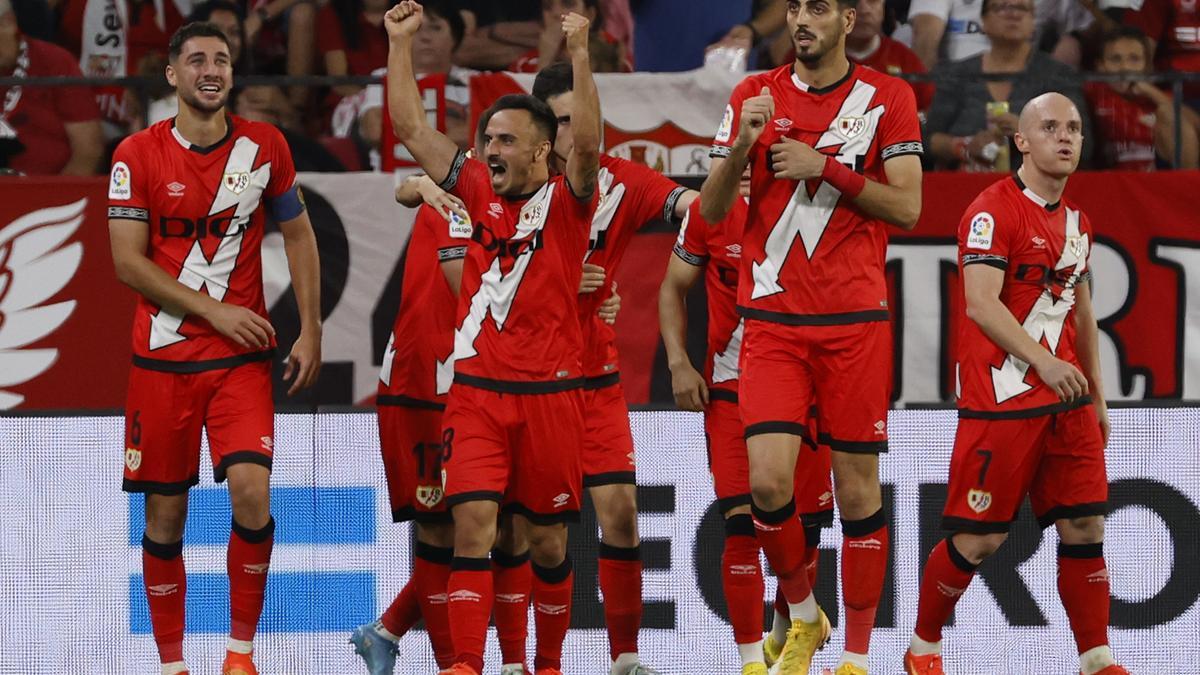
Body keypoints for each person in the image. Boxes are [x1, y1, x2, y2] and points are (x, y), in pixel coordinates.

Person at [700, 0, 924, 671]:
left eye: (819, 7)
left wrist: (825, 167)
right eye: (794, 6)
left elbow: (909, 205)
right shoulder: (753, 93)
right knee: (768, 485)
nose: (802, 17)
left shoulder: (889, 96)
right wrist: (743, 144)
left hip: (854, 321)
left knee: (858, 492)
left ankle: (856, 656)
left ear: (848, 20)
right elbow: (711, 212)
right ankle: (803, 610)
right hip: (770, 319)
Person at [385, 2, 602, 674]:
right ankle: (467, 665)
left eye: (507, 141)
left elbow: (590, 142)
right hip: (476, 395)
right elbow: (410, 126)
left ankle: (548, 664)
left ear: (542, 149)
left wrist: (583, 52)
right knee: (473, 526)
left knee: (546, 542)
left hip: (552, 396)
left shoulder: (570, 200)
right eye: (488, 142)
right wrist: (399, 44)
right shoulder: (474, 187)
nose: (492, 152)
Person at [107, 21, 322, 675]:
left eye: (222, 60)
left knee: (253, 494)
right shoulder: (135, 155)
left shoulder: (266, 146)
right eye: (196, 58)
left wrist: (311, 326)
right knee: (165, 516)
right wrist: (214, 310)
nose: (211, 69)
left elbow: (301, 234)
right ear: (171, 74)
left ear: (232, 74)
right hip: (163, 361)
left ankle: (239, 654)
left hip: (238, 366)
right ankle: (172, 663)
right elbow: (125, 262)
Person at [478, 60, 693, 675]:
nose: (583, 132)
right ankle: (520, 662)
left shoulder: (621, 181)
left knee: (622, 513)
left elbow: (691, 206)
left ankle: (624, 657)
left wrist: (732, 188)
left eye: (588, 119)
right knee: (517, 534)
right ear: (545, 131)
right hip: (521, 382)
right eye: (569, 121)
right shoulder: (510, 193)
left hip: (594, 380)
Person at [903, 93, 1127, 675]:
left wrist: (1096, 392)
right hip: (1002, 397)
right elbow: (980, 304)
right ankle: (923, 648)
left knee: (1085, 523)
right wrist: (1044, 364)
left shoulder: (1078, 221)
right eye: (1050, 127)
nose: (1066, 137)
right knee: (980, 541)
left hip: (1068, 401)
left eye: (1075, 128)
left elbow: (1080, 307)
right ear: (1021, 141)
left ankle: (1096, 657)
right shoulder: (990, 210)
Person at [658, 187, 834, 675]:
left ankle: (785, 637)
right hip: (731, 387)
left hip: (805, 388)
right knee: (741, 523)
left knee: (804, 532)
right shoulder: (710, 209)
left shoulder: (817, 203)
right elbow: (673, 286)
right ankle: (751, 663)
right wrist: (679, 363)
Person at [923, 0, 1091, 172]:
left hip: (1037, 192)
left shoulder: (1059, 76)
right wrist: (964, 146)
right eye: (1002, 7)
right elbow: (927, 141)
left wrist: (1031, 133)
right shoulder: (956, 74)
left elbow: (1084, 147)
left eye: (1022, 8)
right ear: (983, 20)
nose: (1014, 14)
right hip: (966, 189)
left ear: (1033, 21)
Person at [0, 0, 103, 175]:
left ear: (8, 23)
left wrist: (55, 197)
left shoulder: (55, 62)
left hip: (50, 193)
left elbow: (88, 150)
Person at [1086, 26, 1200, 169]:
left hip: (1157, 180)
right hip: (1110, 181)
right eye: (1115, 59)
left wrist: (1151, 92)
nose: (1125, 67)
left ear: (1147, 66)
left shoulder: (1162, 97)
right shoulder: (1091, 92)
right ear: (1100, 66)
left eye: (1134, 59)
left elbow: (1197, 127)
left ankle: (1187, 188)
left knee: (1169, 113)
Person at [844, 0, 933, 111]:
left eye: (872, 1)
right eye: (854, 2)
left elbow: (930, 110)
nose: (864, 10)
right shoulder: (821, 59)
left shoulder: (904, 58)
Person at [508, 0, 631, 73]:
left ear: (590, 15)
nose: (556, 13)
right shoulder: (523, 66)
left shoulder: (617, 55)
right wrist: (545, 60)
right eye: (547, 6)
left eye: (568, 3)